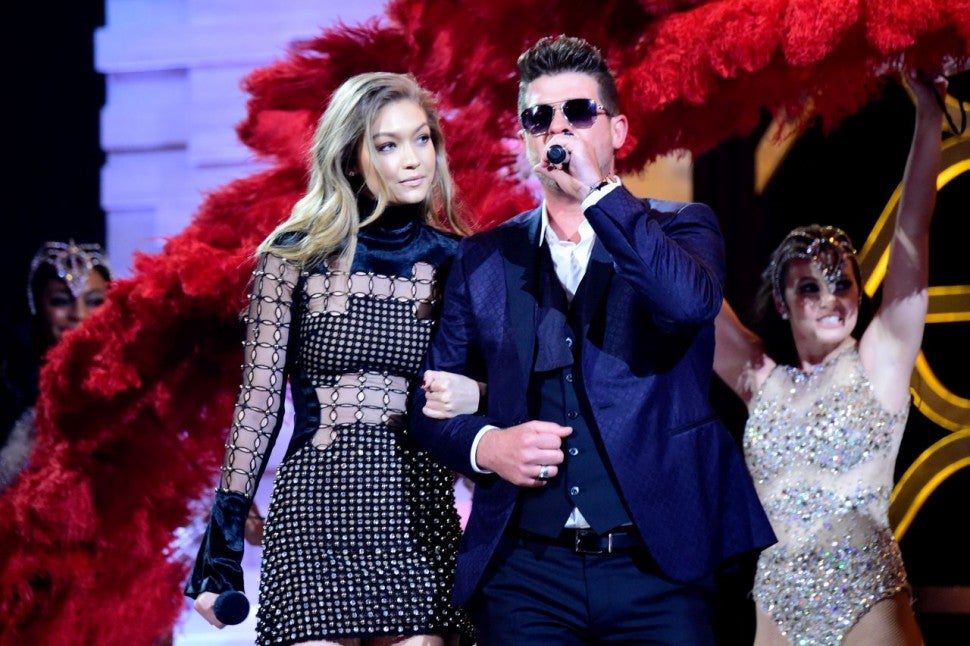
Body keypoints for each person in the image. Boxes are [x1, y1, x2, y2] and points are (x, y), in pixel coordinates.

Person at [410, 34, 776, 644]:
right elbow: (431, 406)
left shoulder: (681, 227)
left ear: (618, 130)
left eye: (579, 112)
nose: (559, 128)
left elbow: (688, 304)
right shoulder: (484, 258)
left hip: (657, 567)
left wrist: (600, 194)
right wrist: (489, 446)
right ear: (526, 138)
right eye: (539, 117)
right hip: (528, 574)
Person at [185, 71, 480, 645]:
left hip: (416, 517)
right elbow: (258, 406)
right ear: (349, 158)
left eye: (422, 139)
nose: (413, 159)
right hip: (313, 520)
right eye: (387, 145)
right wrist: (219, 554)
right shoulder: (291, 257)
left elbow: (490, 396)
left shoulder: (459, 260)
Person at [712, 71, 945, 645]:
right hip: (777, 606)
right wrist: (599, 193)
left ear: (860, 294)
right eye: (809, 288)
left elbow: (913, 230)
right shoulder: (759, 379)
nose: (829, 297)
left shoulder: (878, 362)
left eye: (841, 282)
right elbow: (688, 297)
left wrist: (928, 112)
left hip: (866, 598)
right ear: (783, 304)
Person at [0, 241, 112, 491]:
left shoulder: (133, 380)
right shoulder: (10, 382)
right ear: (37, 307)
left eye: (94, 302)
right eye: (61, 301)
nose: (79, 314)